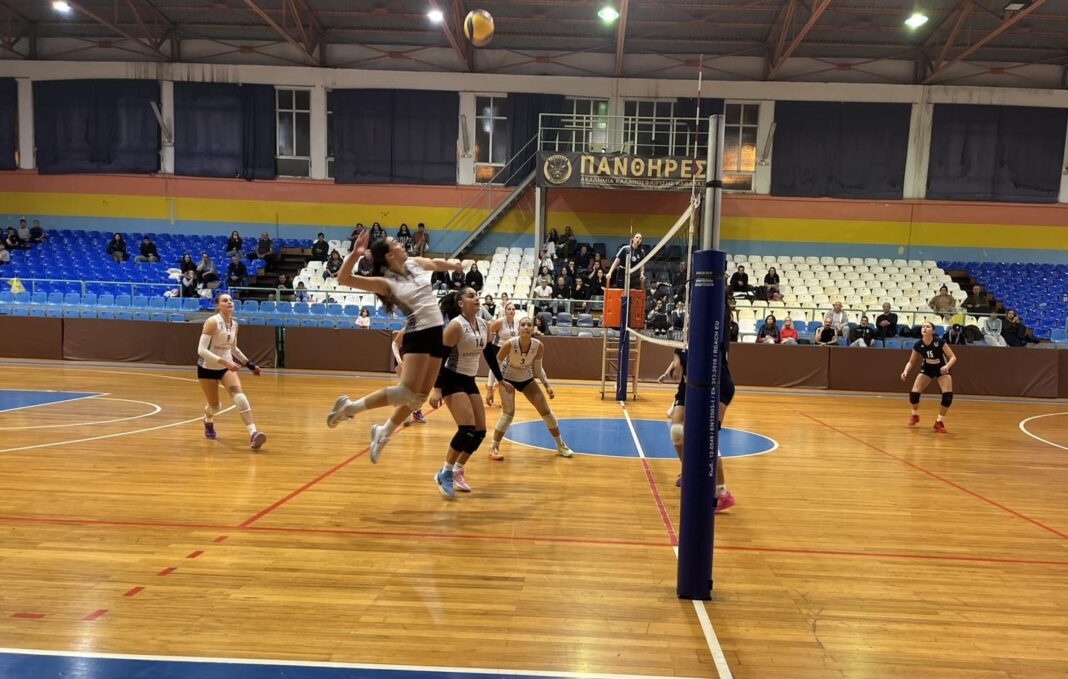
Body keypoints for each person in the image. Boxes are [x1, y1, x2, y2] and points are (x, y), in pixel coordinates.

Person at [326, 231, 463, 462]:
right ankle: (349, 408)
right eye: (396, 243)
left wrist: (455, 266)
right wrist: (356, 254)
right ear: (390, 255)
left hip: (435, 334)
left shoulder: (414, 264)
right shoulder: (386, 283)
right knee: (405, 392)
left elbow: (434, 263)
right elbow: (344, 279)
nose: (401, 244)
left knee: (419, 398)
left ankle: (383, 432)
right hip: (418, 334)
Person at [427, 289, 510, 497]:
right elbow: (439, 358)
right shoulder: (456, 326)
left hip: (469, 379)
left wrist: (500, 380)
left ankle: (457, 470)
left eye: (477, 295)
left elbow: (489, 355)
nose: (476, 298)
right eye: (471, 296)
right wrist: (436, 388)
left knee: (479, 431)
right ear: (461, 303)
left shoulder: (484, 325)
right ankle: (445, 473)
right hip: (451, 379)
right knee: (466, 428)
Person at [655, 308, 735, 509]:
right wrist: (671, 371)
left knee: (708, 439)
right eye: (689, 323)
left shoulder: (713, 338)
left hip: (716, 386)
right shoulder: (682, 344)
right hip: (688, 387)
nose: (690, 326)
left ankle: (722, 493)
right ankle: (689, 472)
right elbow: (677, 365)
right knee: (676, 431)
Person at [489, 316, 572, 460]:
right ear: (518, 329)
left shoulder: (538, 346)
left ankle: (560, 445)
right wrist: (491, 388)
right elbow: (494, 365)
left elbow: (538, 368)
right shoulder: (509, 344)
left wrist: (547, 385)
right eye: (523, 325)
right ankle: (494, 447)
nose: (526, 327)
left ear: (533, 328)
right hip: (507, 378)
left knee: (546, 411)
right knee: (508, 414)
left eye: (529, 325)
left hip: (526, 378)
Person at [196, 293, 267, 449]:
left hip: (226, 368)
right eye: (225, 300)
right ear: (217, 305)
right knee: (215, 407)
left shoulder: (234, 324)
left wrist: (249, 364)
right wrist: (225, 362)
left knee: (240, 397)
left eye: (231, 300)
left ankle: (253, 434)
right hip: (207, 368)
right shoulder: (212, 322)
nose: (229, 302)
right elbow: (201, 350)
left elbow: (233, 349)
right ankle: (208, 419)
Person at [901, 321, 957, 433]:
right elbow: (911, 362)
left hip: (941, 368)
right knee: (914, 394)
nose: (924, 328)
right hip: (927, 368)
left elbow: (953, 357)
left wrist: (947, 366)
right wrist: (905, 371)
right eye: (923, 327)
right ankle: (915, 415)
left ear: (933, 330)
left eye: (928, 326)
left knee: (947, 396)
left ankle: (939, 422)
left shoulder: (939, 342)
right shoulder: (918, 345)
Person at [485, 301, 519, 406]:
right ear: (505, 311)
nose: (511, 311)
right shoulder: (500, 322)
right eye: (509, 309)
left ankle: (502, 397)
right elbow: (488, 331)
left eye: (513, 309)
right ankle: (489, 390)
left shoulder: (517, 323)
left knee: (506, 374)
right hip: (498, 347)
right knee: (494, 369)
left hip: (511, 350)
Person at [391, 327, 427, 425]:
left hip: (417, 359)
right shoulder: (407, 329)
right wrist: (399, 360)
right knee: (407, 386)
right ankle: (406, 414)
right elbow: (394, 344)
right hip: (402, 358)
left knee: (418, 388)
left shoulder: (428, 331)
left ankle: (415, 410)